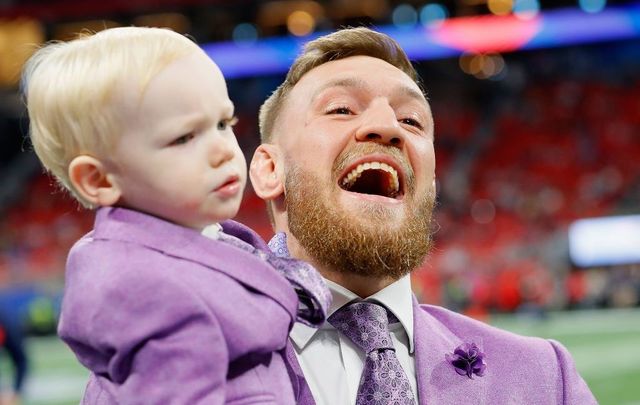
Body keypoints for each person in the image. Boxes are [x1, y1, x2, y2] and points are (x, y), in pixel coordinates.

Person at [249, 27, 597, 404]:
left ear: (430, 183)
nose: (387, 127)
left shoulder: (544, 377)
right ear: (271, 170)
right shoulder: (194, 359)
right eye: (341, 109)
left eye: (411, 121)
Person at [22, 26, 329, 404]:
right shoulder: (141, 289)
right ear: (99, 179)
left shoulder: (212, 241)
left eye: (223, 123)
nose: (222, 150)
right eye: (185, 137)